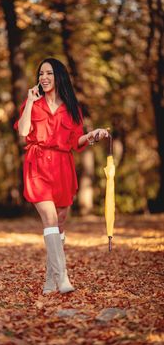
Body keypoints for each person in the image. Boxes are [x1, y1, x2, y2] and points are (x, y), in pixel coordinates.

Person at [14, 58, 108, 294]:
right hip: (37, 165)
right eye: (41, 73)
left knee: (61, 221)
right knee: (50, 218)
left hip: (62, 167)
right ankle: (63, 276)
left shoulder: (72, 107)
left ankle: (49, 280)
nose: (43, 77)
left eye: (49, 73)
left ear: (59, 77)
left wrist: (92, 135)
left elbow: (76, 142)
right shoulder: (32, 103)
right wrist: (29, 104)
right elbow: (24, 131)